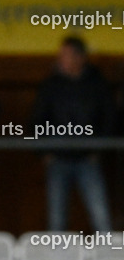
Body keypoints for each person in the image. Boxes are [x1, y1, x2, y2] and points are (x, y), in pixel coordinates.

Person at [30, 37, 115, 232]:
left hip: (89, 159)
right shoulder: (50, 85)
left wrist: (99, 149)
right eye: (61, 56)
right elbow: (36, 120)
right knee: (57, 221)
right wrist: (43, 152)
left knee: (101, 218)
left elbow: (109, 118)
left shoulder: (97, 83)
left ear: (80, 58)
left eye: (66, 56)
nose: (62, 60)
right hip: (57, 159)